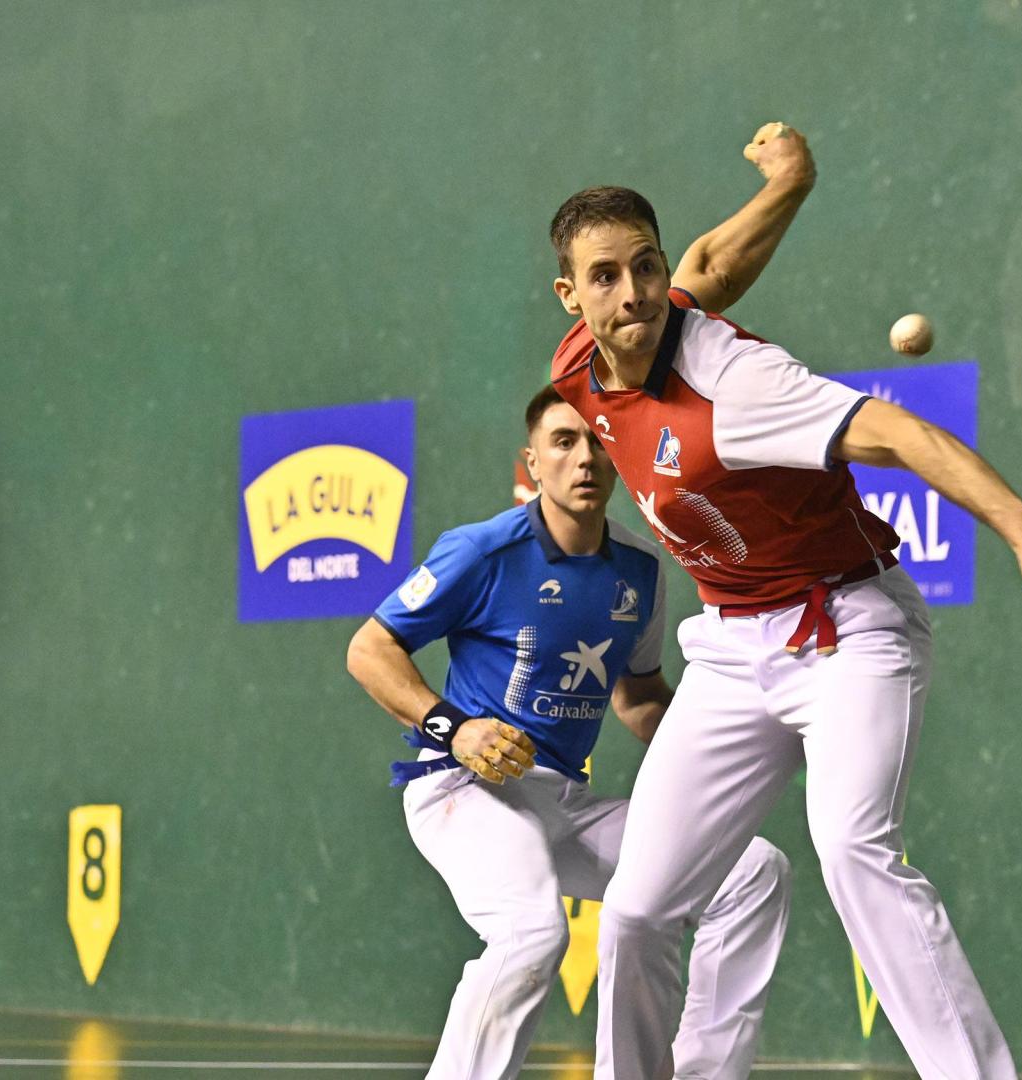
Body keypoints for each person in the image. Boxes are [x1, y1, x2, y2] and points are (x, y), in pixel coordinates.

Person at [544, 126, 1022, 1080]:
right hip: (729, 647)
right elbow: (711, 265)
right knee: (637, 910)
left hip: (846, 629)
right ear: (572, 296)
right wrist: (792, 184)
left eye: (645, 266)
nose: (635, 292)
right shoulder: (579, 368)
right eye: (606, 277)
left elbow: (895, 433)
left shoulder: (737, 383)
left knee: (851, 847)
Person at [344, 125, 822, 1079]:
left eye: (595, 444)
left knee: (753, 874)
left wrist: (729, 739)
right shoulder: (484, 549)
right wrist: (456, 731)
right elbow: (369, 651)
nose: (584, 458)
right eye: (561, 444)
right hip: (461, 789)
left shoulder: (639, 575)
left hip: (560, 798)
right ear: (532, 465)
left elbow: (639, 697)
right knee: (529, 934)